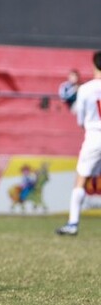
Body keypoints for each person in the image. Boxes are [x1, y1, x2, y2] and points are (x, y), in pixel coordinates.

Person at [56, 51, 101, 236]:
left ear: (94, 66)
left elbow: (80, 119)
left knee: (81, 180)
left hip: (94, 136)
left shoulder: (85, 89)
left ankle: (73, 224)